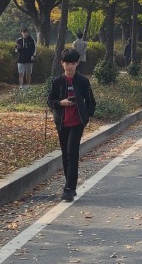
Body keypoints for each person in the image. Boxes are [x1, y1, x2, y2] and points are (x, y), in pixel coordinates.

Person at [47, 49, 97, 201]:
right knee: (65, 154)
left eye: (73, 63)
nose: (70, 66)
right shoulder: (57, 82)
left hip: (77, 123)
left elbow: (91, 102)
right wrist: (60, 103)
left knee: (72, 153)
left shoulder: (82, 81)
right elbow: (50, 101)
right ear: (62, 63)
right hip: (62, 122)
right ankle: (70, 183)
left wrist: (86, 116)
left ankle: (69, 188)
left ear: (77, 64)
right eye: (67, 63)